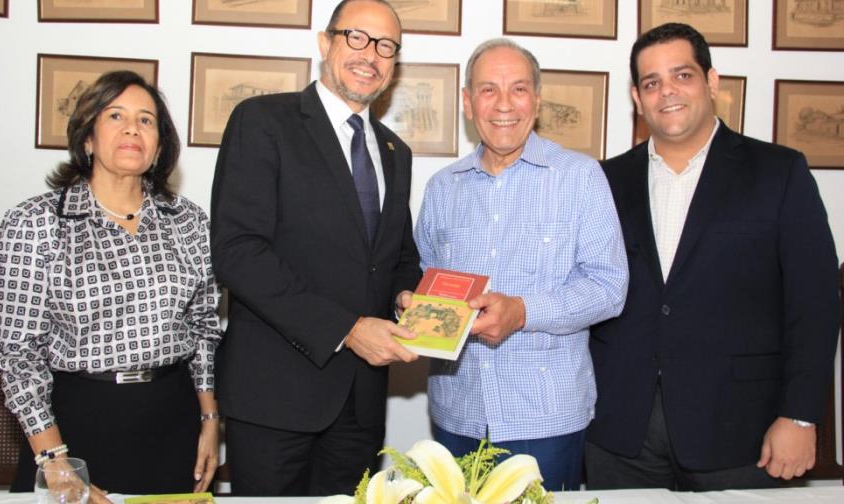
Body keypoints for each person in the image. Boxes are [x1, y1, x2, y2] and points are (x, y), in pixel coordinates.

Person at [586, 23, 841, 491]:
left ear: (712, 82)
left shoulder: (779, 173)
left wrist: (801, 417)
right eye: (651, 82)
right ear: (637, 99)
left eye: (681, 75)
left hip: (741, 431)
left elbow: (816, 305)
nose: (667, 92)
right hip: (621, 433)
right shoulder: (602, 181)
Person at [210, 0, 421, 496]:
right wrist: (346, 329)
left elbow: (396, 256)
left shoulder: (396, 152)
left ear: (394, 64)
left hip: (360, 403)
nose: (371, 54)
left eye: (386, 46)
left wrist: (408, 297)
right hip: (274, 397)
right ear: (325, 42)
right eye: (357, 37)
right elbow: (238, 251)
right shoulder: (263, 121)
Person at [0, 70, 223, 500]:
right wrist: (55, 461)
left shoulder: (189, 222)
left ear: (158, 146)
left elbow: (204, 329)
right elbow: (17, 356)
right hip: (76, 428)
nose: (133, 127)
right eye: (115, 116)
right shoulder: (35, 223)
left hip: (173, 420)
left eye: (146, 120)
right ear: (88, 138)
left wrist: (210, 422)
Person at [412, 38, 629, 491]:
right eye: (488, 90)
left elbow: (610, 287)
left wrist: (524, 312)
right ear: (469, 103)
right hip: (458, 411)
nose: (504, 104)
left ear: (538, 99)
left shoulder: (581, 178)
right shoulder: (442, 188)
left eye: (519, 89)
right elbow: (424, 279)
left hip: (546, 417)